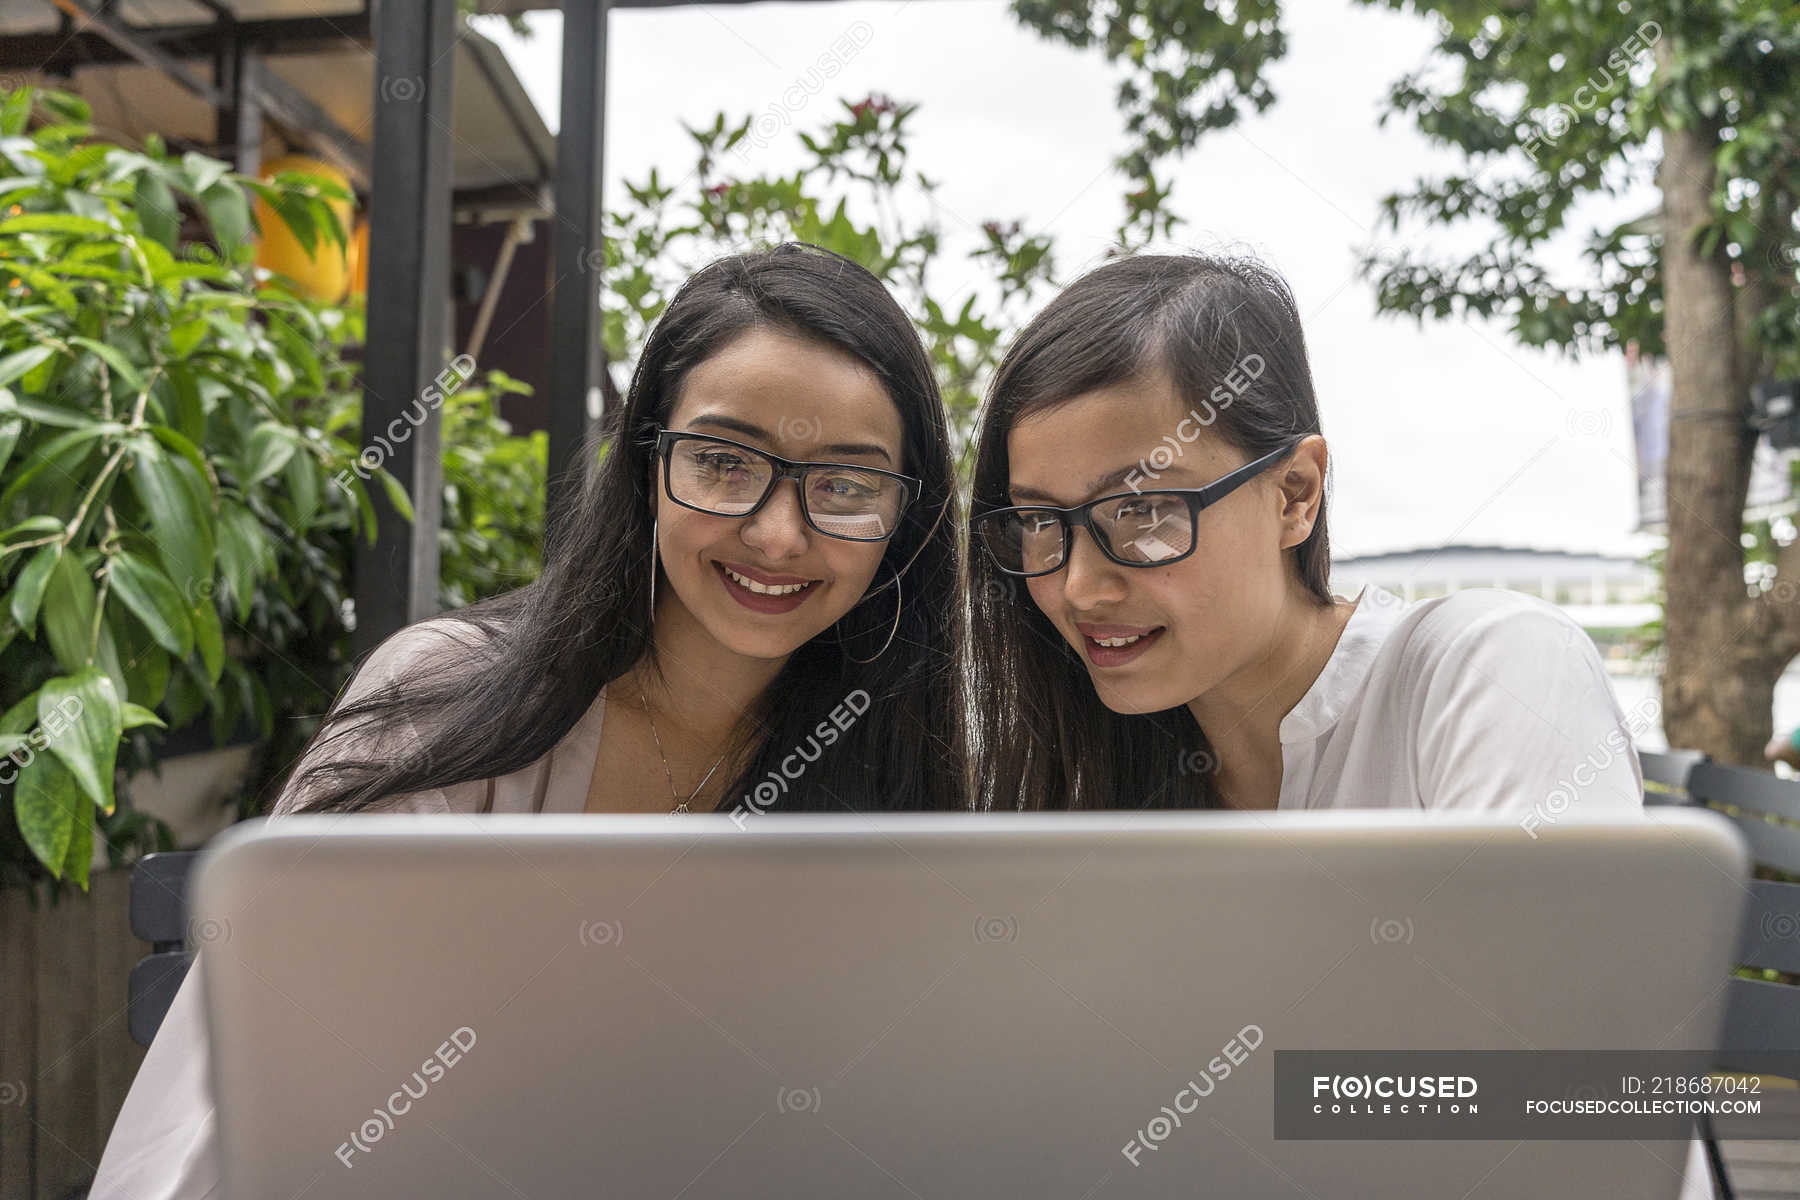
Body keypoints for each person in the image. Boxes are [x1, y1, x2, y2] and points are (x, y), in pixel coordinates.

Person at [90, 241, 970, 1198]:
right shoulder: (444, 700)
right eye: (723, 461)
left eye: (846, 484)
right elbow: (288, 1102)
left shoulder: (897, 758)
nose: (776, 532)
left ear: (904, 520)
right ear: (644, 464)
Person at [966, 249, 1713, 1198]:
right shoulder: (1106, 776)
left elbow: (1569, 1101)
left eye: (1143, 510)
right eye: (1039, 524)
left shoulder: (1488, 668)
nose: (1078, 584)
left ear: (1295, 493)